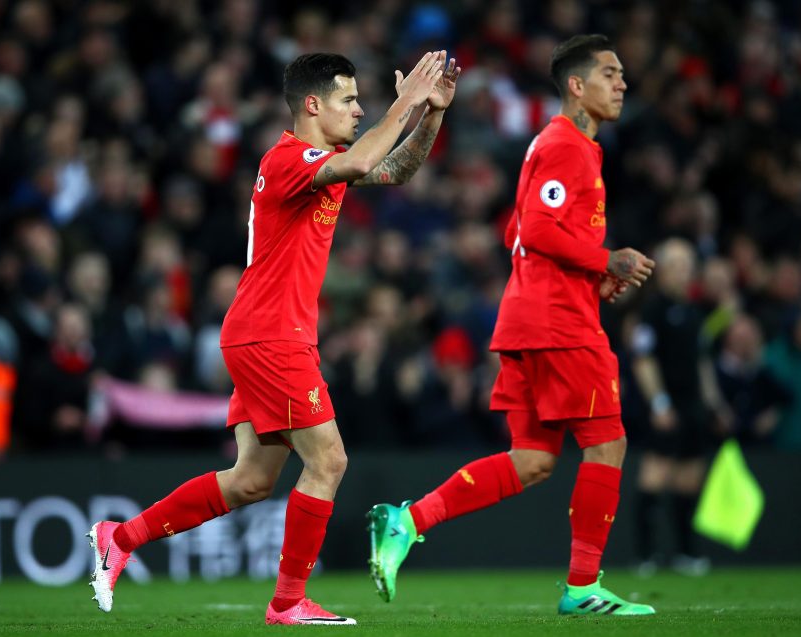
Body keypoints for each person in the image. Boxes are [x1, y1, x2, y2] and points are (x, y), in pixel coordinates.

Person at [88, 50, 461, 625]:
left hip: (265, 332)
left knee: (248, 482)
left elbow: (392, 170)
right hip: (271, 334)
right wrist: (405, 99)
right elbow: (365, 163)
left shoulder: (327, 164)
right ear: (313, 105)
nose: (361, 109)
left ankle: (121, 537)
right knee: (329, 462)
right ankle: (288, 602)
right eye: (349, 99)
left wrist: (430, 116)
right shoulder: (289, 160)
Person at [368, 34, 657, 616]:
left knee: (533, 460)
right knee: (608, 444)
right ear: (576, 86)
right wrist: (607, 261)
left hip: (529, 317)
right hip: (560, 324)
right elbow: (540, 231)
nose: (622, 82)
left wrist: (589, 278)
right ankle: (581, 588)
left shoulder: (556, 146)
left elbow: (515, 234)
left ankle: (408, 520)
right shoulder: (569, 145)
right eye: (609, 72)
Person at [629, 238, 725, 577]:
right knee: (654, 477)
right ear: (662, 272)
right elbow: (643, 359)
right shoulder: (653, 310)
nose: (684, 274)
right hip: (666, 405)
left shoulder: (696, 313)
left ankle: (685, 553)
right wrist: (659, 403)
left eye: (688, 266)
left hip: (693, 405)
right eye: (676, 266)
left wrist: (715, 404)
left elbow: (702, 363)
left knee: (689, 482)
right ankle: (644, 556)